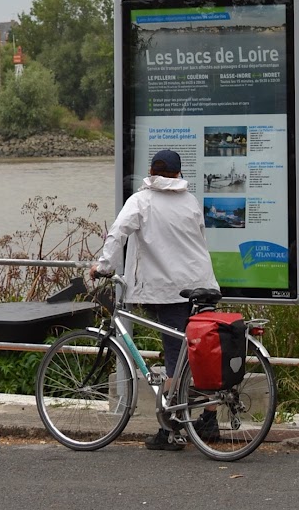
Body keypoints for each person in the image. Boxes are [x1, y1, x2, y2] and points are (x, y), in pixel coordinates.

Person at [89, 149, 219, 452]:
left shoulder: (141, 201)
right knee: (201, 351)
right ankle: (209, 417)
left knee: (175, 356)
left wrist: (103, 266)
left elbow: (117, 234)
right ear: (179, 173)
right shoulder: (190, 201)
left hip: (170, 291)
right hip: (203, 284)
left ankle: (170, 429)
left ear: (151, 172)